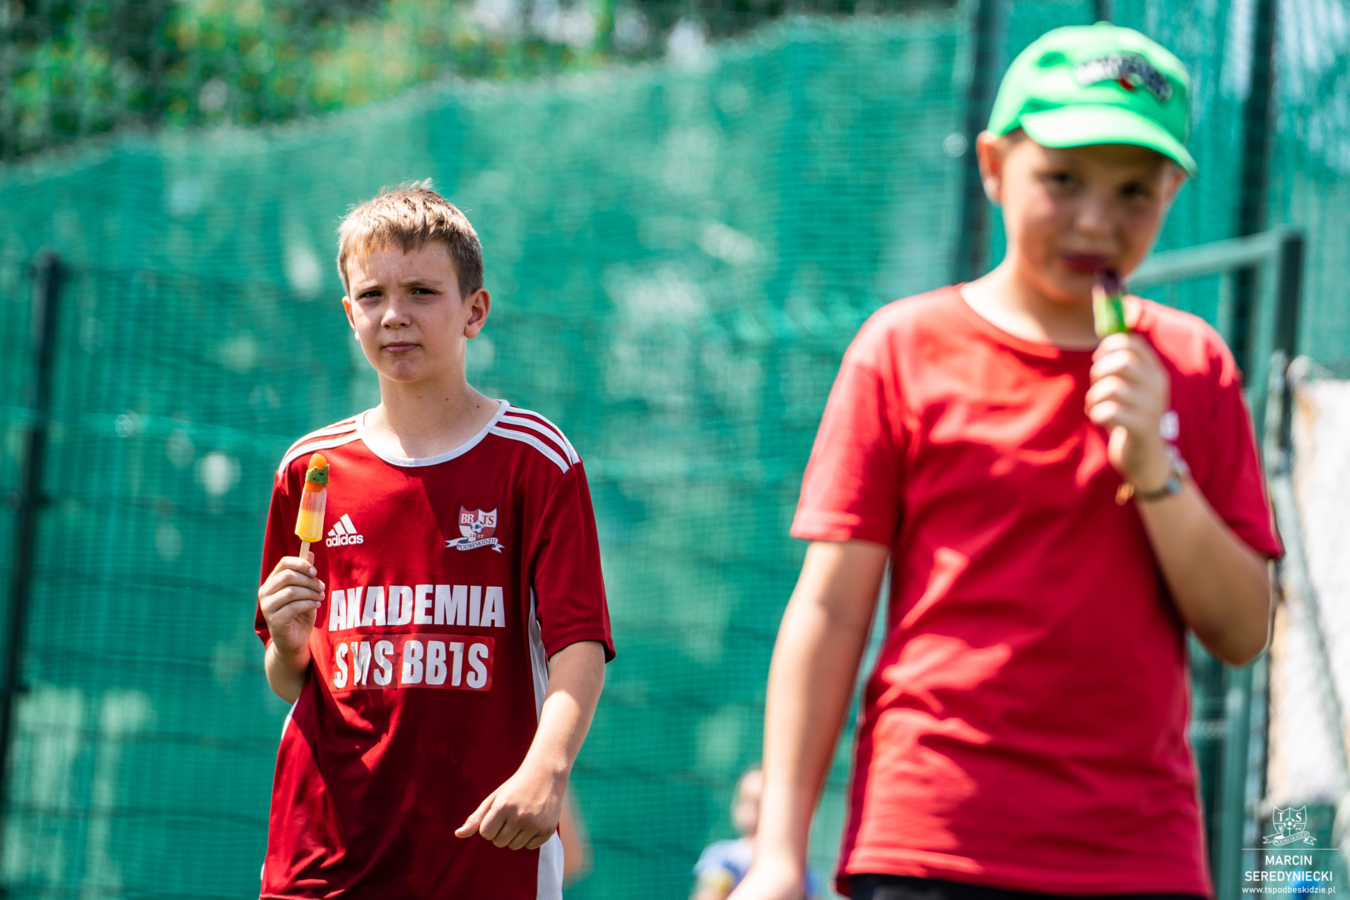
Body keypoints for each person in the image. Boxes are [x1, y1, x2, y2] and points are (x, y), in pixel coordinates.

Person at [733, 23, 1281, 900]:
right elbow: (831, 611)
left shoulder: (1194, 365)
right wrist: (775, 856)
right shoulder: (902, 348)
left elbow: (1243, 631)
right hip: (927, 846)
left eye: (1134, 192)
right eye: (1063, 180)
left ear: (1173, 193)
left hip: (1139, 858)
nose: (1096, 220)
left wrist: (1154, 463)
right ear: (994, 165)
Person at [254, 182, 614, 898]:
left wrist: (547, 771)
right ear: (349, 313)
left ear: (474, 311)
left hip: (482, 852)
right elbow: (293, 678)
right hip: (324, 856)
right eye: (372, 296)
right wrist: (289, 645)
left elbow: (579, 644)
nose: (395, 315)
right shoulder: (310, 467)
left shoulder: (536, 459)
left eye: (422, 291)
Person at [691, 767, 821, 900]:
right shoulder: (723, 856)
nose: (751, 809)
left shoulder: (801, 872)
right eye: (746, 799)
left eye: (759, 803)